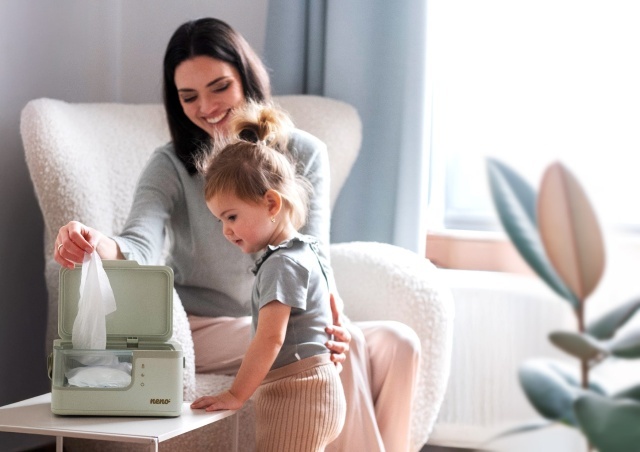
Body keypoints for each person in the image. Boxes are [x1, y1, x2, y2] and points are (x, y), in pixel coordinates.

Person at [53, 17, 420, 452]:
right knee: (346, 348)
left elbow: (314, 254)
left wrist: (333, 319)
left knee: (398, 343)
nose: (207, 107)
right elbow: (140, 244)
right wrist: (97, 242)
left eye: (219, 87)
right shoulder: (170, 165)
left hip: (279, 313)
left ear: (246, 77)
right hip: (204, 326)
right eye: (189, 96)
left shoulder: (303, 152)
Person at [192, 101, 346, 451]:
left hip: (298, 394)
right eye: (220, 221)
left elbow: (270, 339)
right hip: (315, 388)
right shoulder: (306, 251)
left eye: (231, 216)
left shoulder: (282, 263)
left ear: (272, 204)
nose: (226, 230)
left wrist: (235, 394)